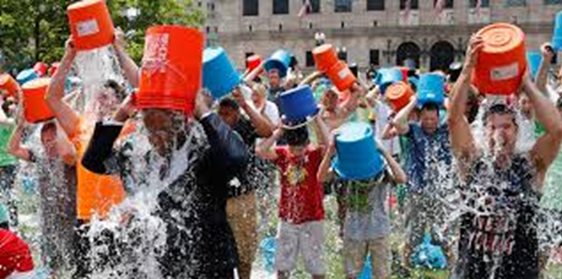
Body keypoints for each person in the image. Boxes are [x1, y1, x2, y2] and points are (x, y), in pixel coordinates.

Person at [80, 88, 248, 278]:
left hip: (207, 265)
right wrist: (122, 113)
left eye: (163, 130)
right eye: (150, 130)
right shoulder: (138, 156)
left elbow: (236, 157)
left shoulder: (204, 152)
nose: (155, 138)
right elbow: (92, 160)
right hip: (156, 266)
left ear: (182, 124)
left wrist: (202, 110)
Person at [449, 35, 562, 279]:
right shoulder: (472, 161)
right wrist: (468, 67)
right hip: (472, 272)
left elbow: (557, 130)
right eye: (493, 127)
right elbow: (454, 119)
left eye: (507, 127)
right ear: (483, 130)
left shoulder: (531, 164)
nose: (499, 133)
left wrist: (527, 85)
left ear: (517, 130)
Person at [45, 33, 138, 278]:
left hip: (121, 219)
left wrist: (119, 49)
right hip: (86, 218)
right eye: (98, 96)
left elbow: (143, 88)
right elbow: (52, 99)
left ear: (121, 102)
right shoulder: (83, 125)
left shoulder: (131, 126)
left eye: (106, 97)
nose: (99, 101)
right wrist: (69, 55)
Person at [317, 134, 407, 279]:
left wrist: (384, 153)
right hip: (353, 231)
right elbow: (321, 177)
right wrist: (330, 152)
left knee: (382, 274)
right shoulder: (345, 170)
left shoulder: (381, 169)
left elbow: (401, 178)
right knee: (352, 275)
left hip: (379, 230)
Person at [256, 115, 330, 279]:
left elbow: (330, 144)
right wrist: (279, 131)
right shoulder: (283, 155)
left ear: (307, 144)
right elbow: (260, 150)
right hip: (288, 219)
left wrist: (318, 120)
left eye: (301, 149)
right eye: (294, 149)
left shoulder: (314, 155)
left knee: (317, 269)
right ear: (288, 145)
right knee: (282, 268)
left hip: (312, 218)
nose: (297, 153)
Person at [386, 93, 453, 268]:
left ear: (439, 118)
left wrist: (444, 99)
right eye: (426, 119)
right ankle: (405, 267)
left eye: (433, 119)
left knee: (446, 238)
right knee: (411, 237)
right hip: (416, 192)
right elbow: (398, 123)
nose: (429, 123)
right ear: (420, 118)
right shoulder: (414, 131)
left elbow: (457, 116)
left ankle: (455, 270)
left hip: (441, 193)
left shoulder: (445, 130)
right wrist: (415, 101)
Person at [7, 110, 77, 275]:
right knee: (51, 266)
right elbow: (13, 149)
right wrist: (19, 127)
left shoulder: (70, 158)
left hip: (71, 218)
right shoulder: (40, 156)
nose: (50, 145)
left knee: (73, 264)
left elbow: (68, 152)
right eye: (46, 141)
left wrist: (58, 117)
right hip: (48, 218)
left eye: (54, 141)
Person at [217, 88, 274, 279]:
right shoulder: (213, 127)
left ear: (236, 114)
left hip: (243, 197)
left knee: (245, 250)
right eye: (220, 113)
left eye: (228, 114)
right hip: (219, 198)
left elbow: (267, 131)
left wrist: (245, 105)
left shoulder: (243, 126)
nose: (223, 118)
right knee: (220, 249)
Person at [0, 94, 18, 229]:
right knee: (6, 193)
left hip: (8, 163)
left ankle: (11, 223)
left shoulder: (9, 123)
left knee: (7, 193)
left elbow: (4, 120)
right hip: (5, 163)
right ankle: (11, 221)